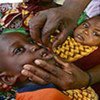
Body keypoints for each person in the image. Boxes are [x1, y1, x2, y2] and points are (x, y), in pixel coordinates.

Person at [21, 15, 100, 98]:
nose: (86, 31)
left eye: (96, 34)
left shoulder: (95, 55)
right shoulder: (61, 35)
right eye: (85, 25)